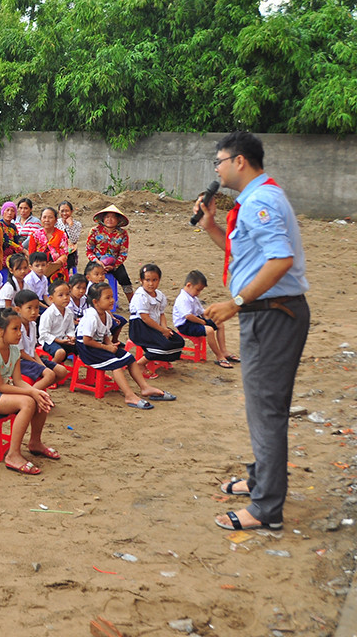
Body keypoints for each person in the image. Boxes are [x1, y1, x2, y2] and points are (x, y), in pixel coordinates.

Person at [193, 130, 309, 532]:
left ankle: (266, 509)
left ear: (239, 161)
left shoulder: (261, 201)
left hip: (272, 314)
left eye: (219, 161)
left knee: (267, 410)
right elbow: (247, 255)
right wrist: (210, 226)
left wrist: (235, 303)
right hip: (267, 313)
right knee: (263, 407)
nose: (217, 169)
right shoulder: (254, 200)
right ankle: (262, 481)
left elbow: (279, 260)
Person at [0, 308, 56, 474]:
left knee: (41, 398)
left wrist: (36, 392)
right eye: (15, 329)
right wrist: (31, 393)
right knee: (29, 401)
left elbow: (18, 381)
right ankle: (13, 455)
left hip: (0, 392)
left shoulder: (14, 350)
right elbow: (0, 386)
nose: (19, 333)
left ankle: (35, 443)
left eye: (20, 329)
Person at [75, 283, 171, 410]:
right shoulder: (91, 317)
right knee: (116, 364)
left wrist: (109, 344)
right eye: (107, 298)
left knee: (129, 358)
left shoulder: (106, 315)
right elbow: (87, 341)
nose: (112, 300)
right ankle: (129, 395)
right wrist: (106, 348)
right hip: (87, 350)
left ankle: (145, 387)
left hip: (99, 345)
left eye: (112, 297)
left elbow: (104, 335)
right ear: (95, 302)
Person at [173, 270, 237, 367]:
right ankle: (219, 356)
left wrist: (212, 318)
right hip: (185, 325)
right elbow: (188, 316)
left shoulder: (193, 297)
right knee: (209, 330)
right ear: (189, 285)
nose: (199, 293)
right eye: (198, 290)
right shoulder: (183, 299)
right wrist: (203, 322)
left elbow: (202, 312)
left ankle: (224, 351)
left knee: (219, 324)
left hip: (195, 320)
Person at [128, 264, 185, 369]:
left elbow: (161, 314)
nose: (151, 284)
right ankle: (141, 363)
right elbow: (145, 318)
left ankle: (163, 358)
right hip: (141, 328)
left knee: (179, 341)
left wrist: (164, 328)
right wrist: (162, 331)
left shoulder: (160, 295)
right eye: (147, 280)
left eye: (154, 280)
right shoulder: (140, 296)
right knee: (165, 346)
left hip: (156, 326)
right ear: (141, 280)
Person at [13, 290, 69, 390]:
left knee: (62, 371)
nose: (34, 312)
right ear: (18, 309)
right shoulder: (16, 327)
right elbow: (20, 353)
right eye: (29, 308)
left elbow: (33, 350)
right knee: (50, 374)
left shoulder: (33, 325)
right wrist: (39, 364)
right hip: (19, 361)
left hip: (31, 358)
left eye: (36, 307)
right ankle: (31, 395)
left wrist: (41, 364)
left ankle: (36, 391)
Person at [86, 205, 134, 304]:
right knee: (86, 279)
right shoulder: (94, 231)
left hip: (115, 263)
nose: (110, 219)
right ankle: (87, 302)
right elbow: (89, 251)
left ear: (118, 220)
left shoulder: (123, 233)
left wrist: (114, 266)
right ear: (103, 218)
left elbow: (123, 253)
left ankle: (133, 304)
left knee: (125, 279)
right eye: (107, 217)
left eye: (113, 217)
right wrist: (97, 262)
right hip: (96, 261)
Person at [39, 280, 77, 364]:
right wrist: (58, 341)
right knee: (60, 353)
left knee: (83, 347)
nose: (65, 298)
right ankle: (51, 368)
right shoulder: (48, 314)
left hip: (63, 339)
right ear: (51, 299)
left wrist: (71, 337)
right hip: (48, 341)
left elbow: (70, 329)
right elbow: (44, 334)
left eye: (67, 294)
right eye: (61, 295)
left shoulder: (69, 312)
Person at [29, 207, 69, 281]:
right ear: (41, 219)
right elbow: (31, 255)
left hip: (57, 269)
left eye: (50, 217)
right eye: (44, 217)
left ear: (56, 220)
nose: (47, 220)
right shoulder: (35, 235)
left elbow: (64, 255)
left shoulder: (61, 234)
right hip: (38, 270)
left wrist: (53, 266)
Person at [55, 201, 83, 273]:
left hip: (70, 251)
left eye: (67, 211)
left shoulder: (77, 224)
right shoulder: (56, 223)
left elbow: (74, 240)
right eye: (62, 211)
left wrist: (70, 225)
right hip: (56, 250)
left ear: (72, 211)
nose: (64, 213)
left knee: (69, 261)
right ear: (58, 212)